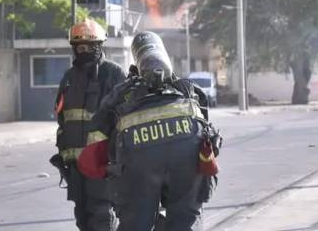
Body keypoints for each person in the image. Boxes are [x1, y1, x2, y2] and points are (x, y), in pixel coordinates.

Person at [78, 31, 220, 231]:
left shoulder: (124, 92)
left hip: (138, 165)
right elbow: (206, 127)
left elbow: (99, 128)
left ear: (137, 60)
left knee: (136, 223)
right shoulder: (188, 89)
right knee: (185, 220)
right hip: (186, 161)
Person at [52, 19, 126, 231]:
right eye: (79, 46)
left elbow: (124, 118)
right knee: (82, 217)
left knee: (102, 214)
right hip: (75, 165)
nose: (83, 50)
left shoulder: (113, 74)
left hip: (102, 162)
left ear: (99, 46)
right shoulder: (68, 78)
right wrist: (63, 154)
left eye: (88, 46)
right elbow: (62, 118)